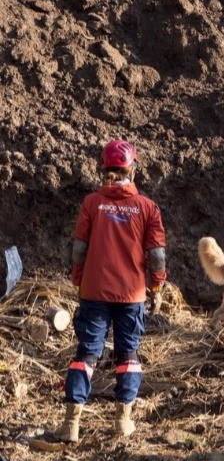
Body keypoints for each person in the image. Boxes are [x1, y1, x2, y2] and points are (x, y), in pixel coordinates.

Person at [54, 139, 166, 442]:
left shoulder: (92, 203)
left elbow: (79, 248)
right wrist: (156, 284)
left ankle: (71, 424)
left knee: (86, 354)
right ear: (132, 169)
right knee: (128, 354)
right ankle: (122, 421)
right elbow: (156, 255)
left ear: (105, 169)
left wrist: (79, 278)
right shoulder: (146, 207)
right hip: (131, 294)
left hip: (94, 291)